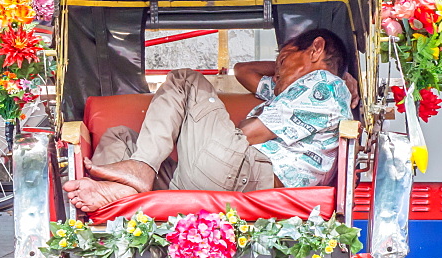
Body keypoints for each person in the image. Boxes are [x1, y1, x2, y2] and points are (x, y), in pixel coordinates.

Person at [64, 28, 356, 213]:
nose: (275, 74)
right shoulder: (288, 90)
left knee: (185, 79)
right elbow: (243, 70)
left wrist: (196, 129)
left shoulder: (324, 84)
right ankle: (124, 188)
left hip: (247, 174)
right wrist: (285, 65)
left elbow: (247, 135)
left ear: (316, 49)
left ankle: (140, 168)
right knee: (118, 136)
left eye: (281, 62)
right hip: (216, 174)